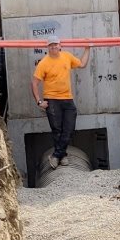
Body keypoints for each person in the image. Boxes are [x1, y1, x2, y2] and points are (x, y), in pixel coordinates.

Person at [32, 35, 90, 167]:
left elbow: (82, 64)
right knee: (57, 130)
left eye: (55, 44)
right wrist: (39, 102)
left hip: (67, 99)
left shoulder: (67, 56)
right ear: (48, 47)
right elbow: (34, 83)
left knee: (69, 129)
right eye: (51, 45)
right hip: (52, 100)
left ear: (60, 45)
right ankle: (62, 156)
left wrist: (87, 49)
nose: (53, 47)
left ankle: (55, 155)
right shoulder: (44, 63)